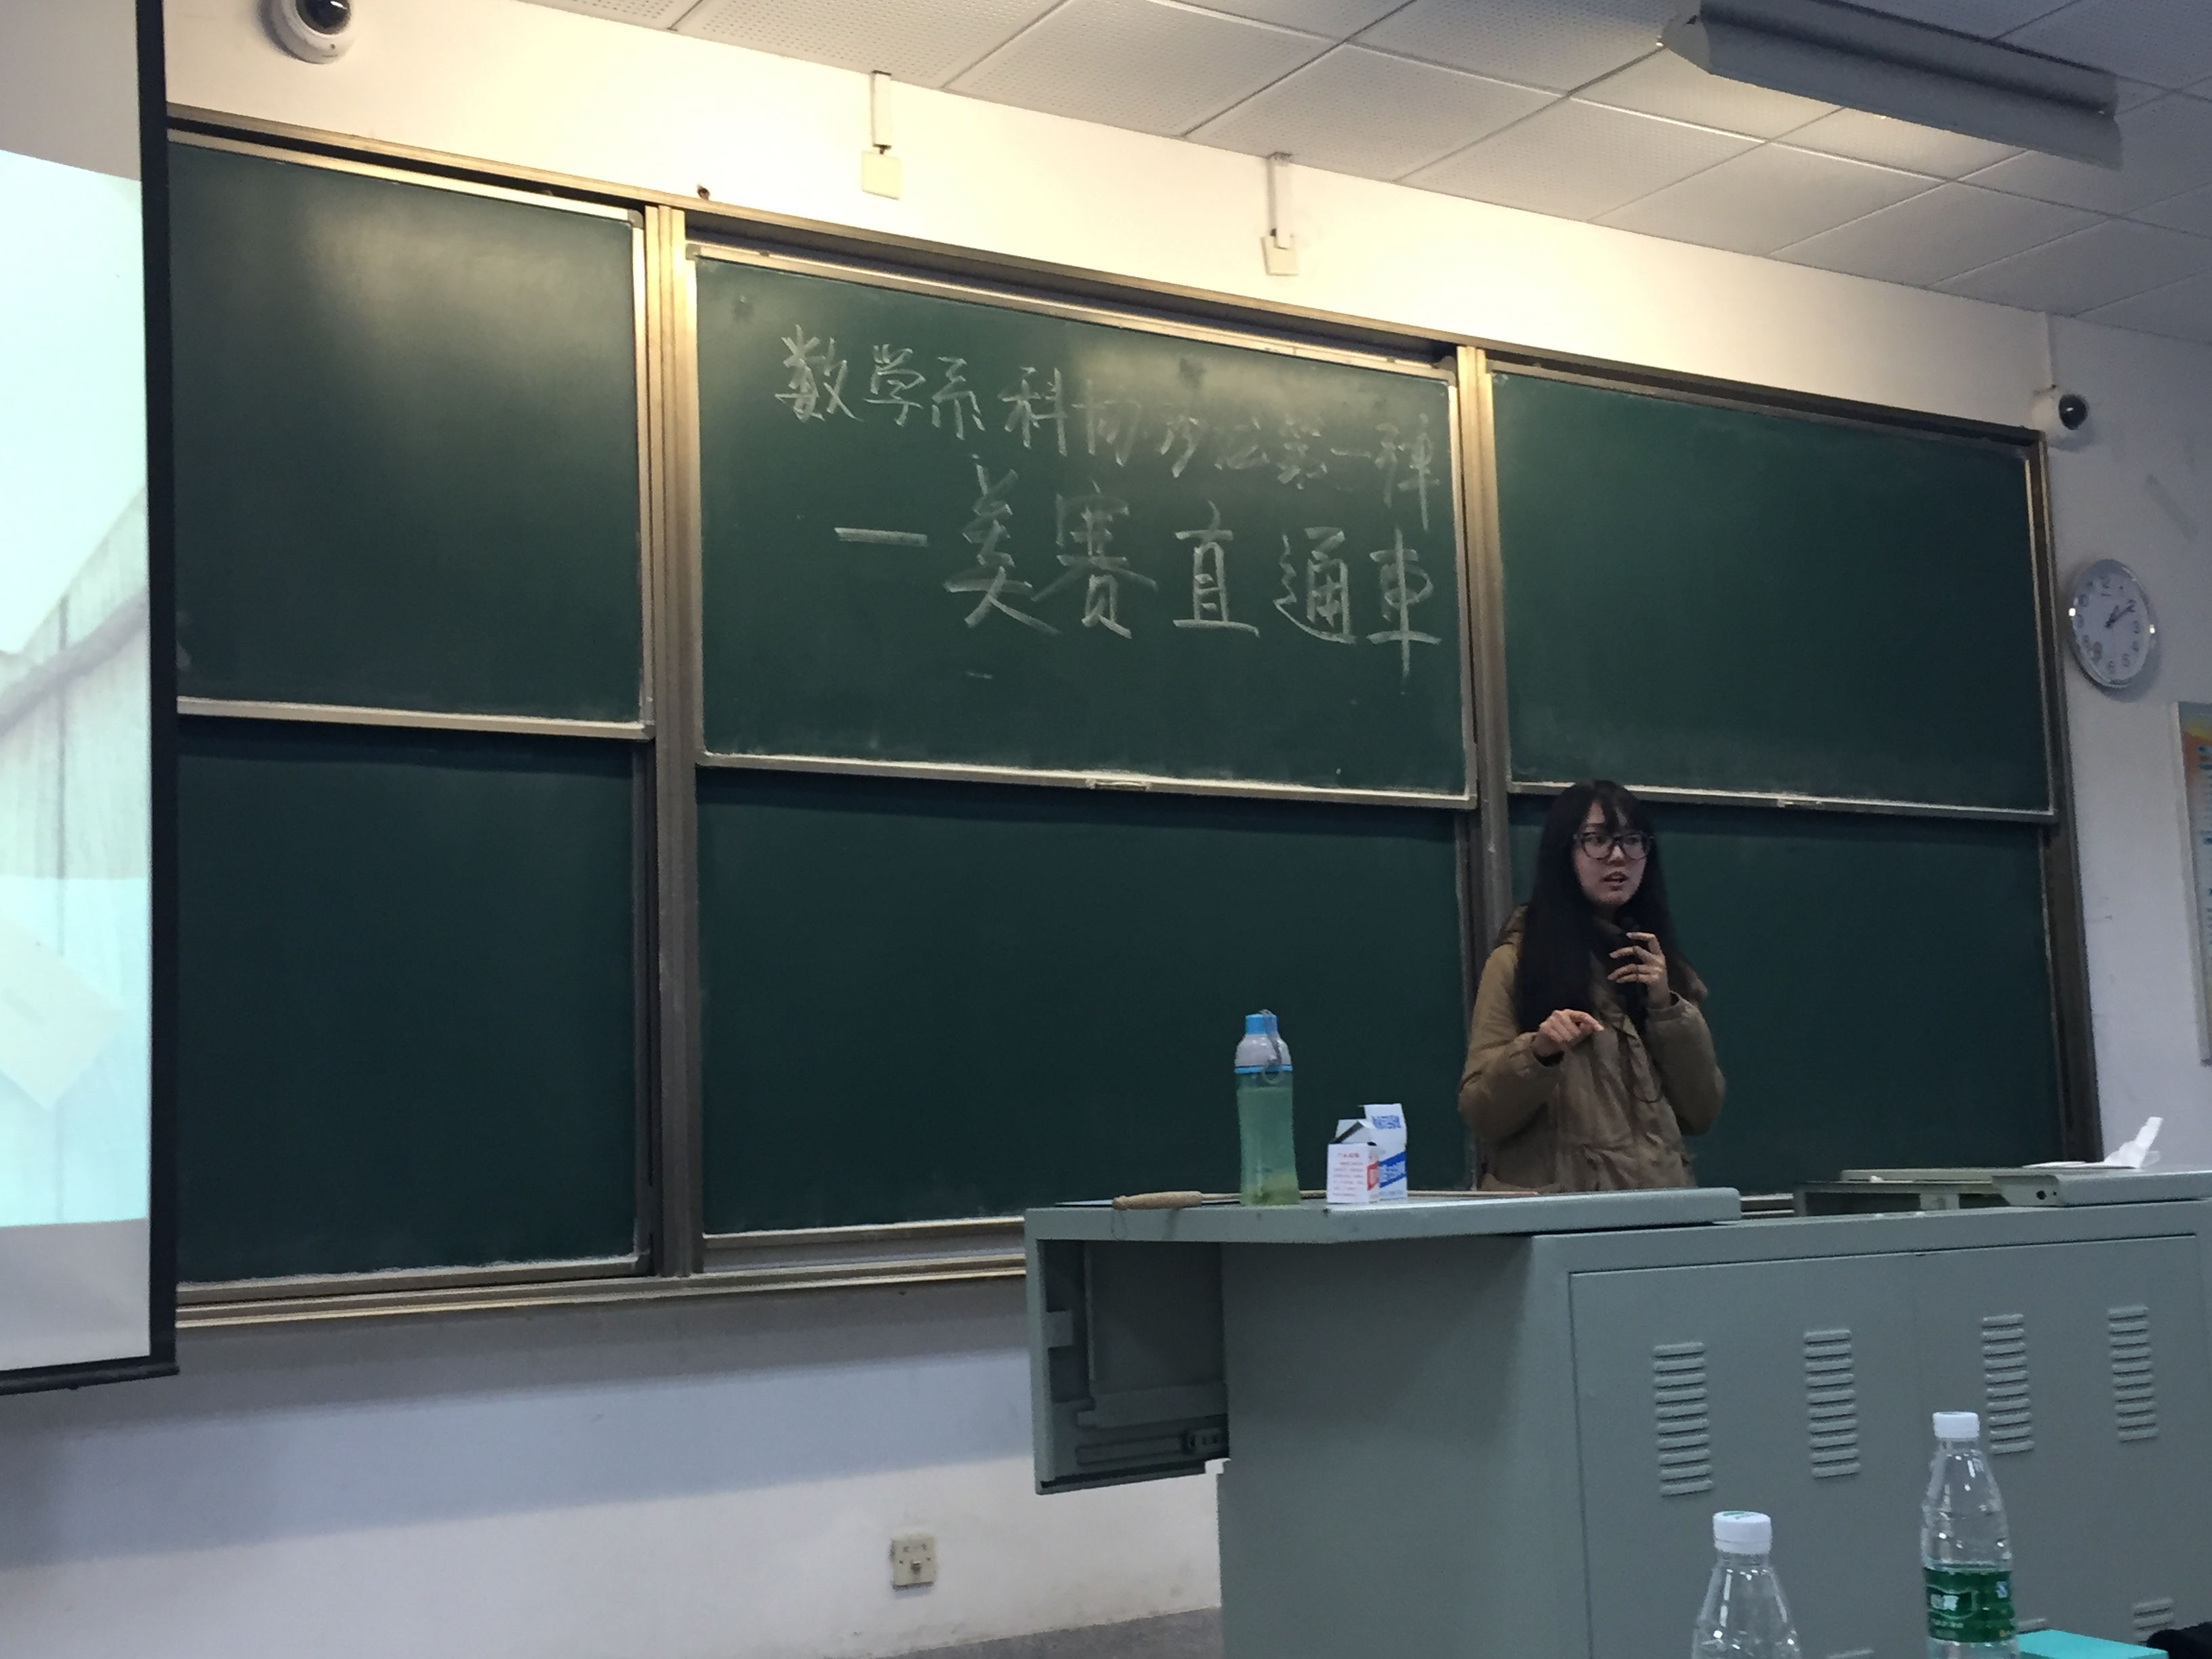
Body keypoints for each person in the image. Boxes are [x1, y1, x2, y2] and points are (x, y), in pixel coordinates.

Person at [1458, 780, 1724, 1192]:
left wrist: (1666, 1010)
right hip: (1559, 1213)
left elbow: (1701, 1113)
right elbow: (1482, 1114)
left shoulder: (1660, 966)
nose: (1618, 856)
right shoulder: (1517, 963)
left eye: (1632, 840)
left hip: (1658, 1208)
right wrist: (1538, 1053)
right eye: (1597, 840)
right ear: (1564, 853)